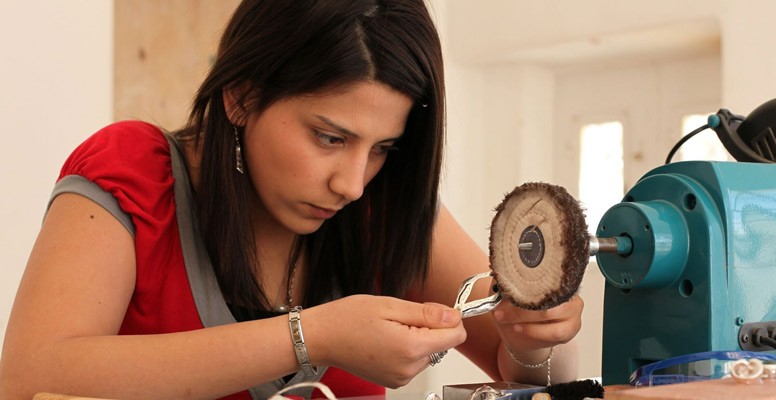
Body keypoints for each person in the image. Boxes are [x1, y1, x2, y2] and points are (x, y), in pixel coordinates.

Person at [0, 0, 584, 399]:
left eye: (383, 147)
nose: (352, 184)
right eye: (330, 138)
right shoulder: (131, 173)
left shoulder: (386, 206)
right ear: (241, 96)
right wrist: (314, 335)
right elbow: (27, 379)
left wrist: (537, 338)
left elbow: (531, 374)